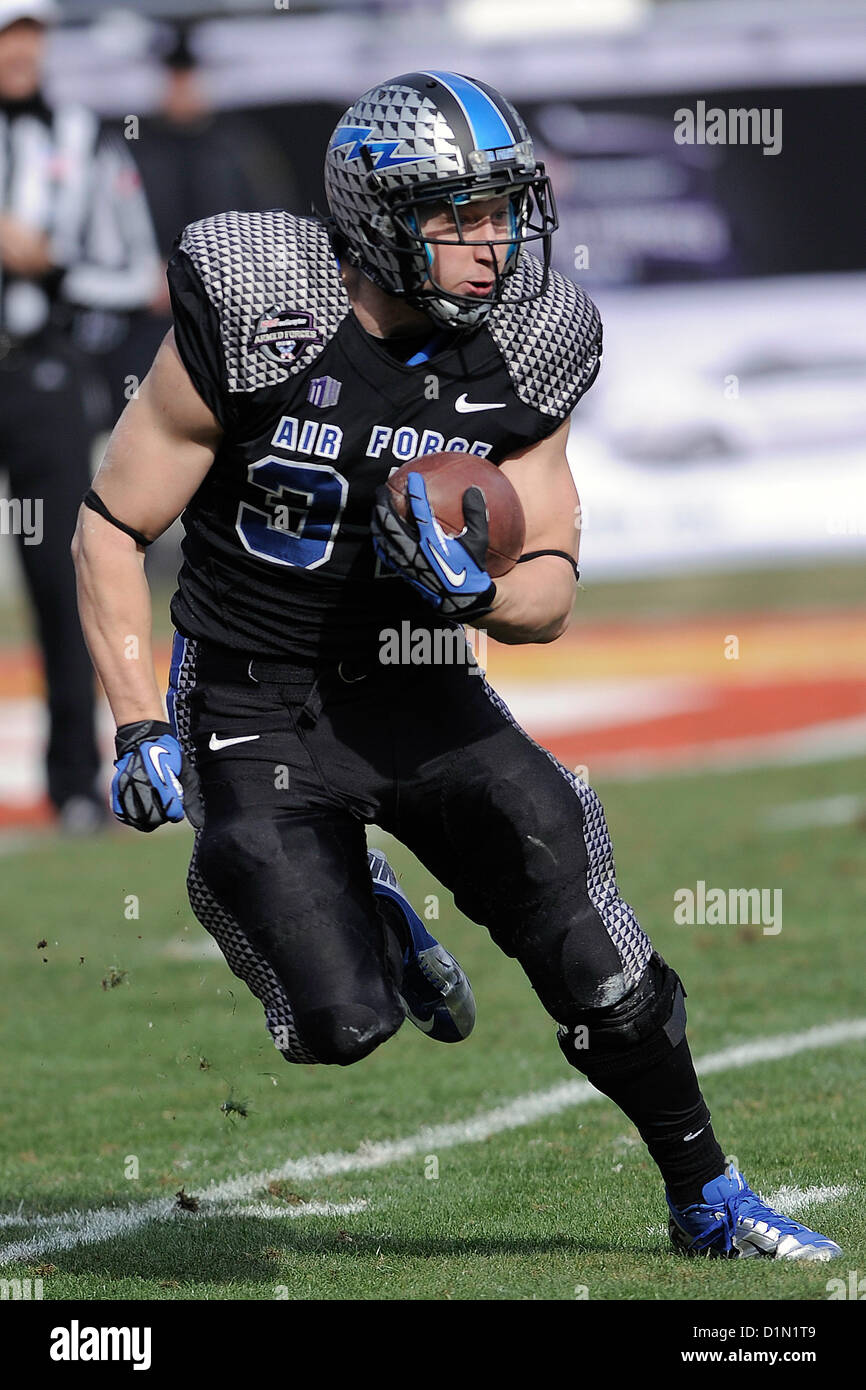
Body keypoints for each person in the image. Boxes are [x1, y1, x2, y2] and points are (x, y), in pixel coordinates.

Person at [71, 70, 840, 1260]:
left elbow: (549, 584)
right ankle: (360, 907)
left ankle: (706, 1193)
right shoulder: (262, 302)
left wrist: (475, 588)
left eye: (504, 209)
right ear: (377, 214)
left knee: (579, 923)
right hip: (250, 695)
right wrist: (134, 722)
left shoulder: (528, 341)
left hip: (418, 684)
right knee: (338, 1023)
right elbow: (113, 526)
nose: (494, 244)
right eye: (459, 215)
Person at [0, 0, 159, 831]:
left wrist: (52, 261)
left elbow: (133, 269)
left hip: (39, 371)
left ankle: (72, 784)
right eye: (6, 33)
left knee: (66, 575)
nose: (20, 49)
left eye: (30, 32)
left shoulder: (80, 135)